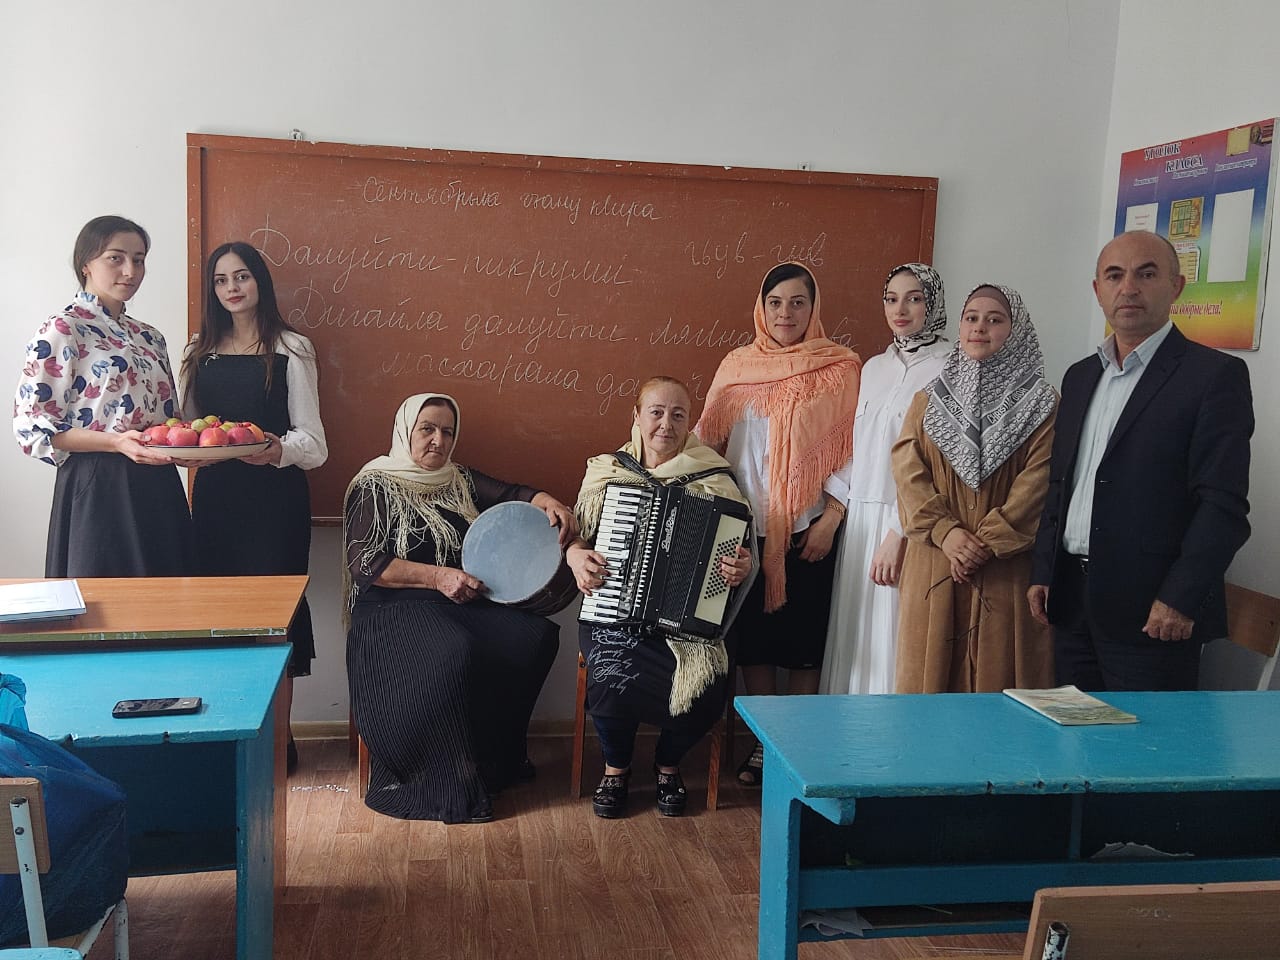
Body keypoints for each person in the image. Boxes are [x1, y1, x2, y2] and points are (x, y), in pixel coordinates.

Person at [1028, 231, 1253, 691]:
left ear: (1176, 287)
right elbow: (1061, 484)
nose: (1128, 288)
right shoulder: (1080, 376)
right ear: (1098, 291)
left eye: (1146, 274)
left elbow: (1222, 506)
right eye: (1114, 276)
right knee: (1075, 732)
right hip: (1072, 603)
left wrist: (1180, 598)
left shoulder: (1213, 377)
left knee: (1147, 738)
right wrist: (1045, 571)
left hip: (1154, 613)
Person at [343, 393, 575, 823]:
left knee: (534, 636)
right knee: (453, 650)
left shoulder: (458, 478)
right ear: (406, 431)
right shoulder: (376, 483)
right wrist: (438, 577)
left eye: (447, 432)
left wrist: (546, 500)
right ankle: (443, 777)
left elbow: (511, 493)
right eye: (427, 429)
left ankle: (490, 761)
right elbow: (367, 564)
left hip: (455, 602)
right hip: (392, 609)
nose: (438, 440)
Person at [696, 262, 860, 785]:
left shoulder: (841, 369)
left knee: (805, 645)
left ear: (814, 308)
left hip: (810, 527)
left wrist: (832, 517)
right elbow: (706, 444)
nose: (785, 313)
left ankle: (798, 746)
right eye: (775, 302)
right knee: (756, 645)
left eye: (797, 302)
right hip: (745, 531)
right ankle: (767, 745)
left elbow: (854, 449)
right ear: (761, 308)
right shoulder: (736, 368)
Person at [567, 376, 754, 818]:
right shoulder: (608, 472)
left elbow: (744, 555)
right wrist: (575, 556)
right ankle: (616, 769)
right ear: (636, 417)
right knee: (609, 673)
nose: (666, 424)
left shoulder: (714, 478)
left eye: (677, 415)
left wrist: (740, 567)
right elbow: (578, 535)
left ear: (690, 423)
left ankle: (668, 765)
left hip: (686, 628)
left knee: (707, 684)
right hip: (614, 613)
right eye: (656, 412)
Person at [179, 241, 328, 773]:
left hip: (274, 503)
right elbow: (187, 431)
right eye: (221, 280)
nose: (232, 288)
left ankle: (278, 743)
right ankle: (228, 736)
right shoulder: (198, 350)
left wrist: (275, 449)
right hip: (215, 502)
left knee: (274, 622)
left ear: (260, 282)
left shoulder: (292, 348)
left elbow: (315, 445)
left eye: (241, 276)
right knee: (217, 620)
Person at [892, 283, 1057, 693]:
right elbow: (907, 472)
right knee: (928, 691)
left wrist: (985, 543)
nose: (979, 328)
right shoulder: (928, 400)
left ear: (1016, 331)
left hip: (1004, 568)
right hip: (936, 562)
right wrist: (946, 533)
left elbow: (1040, 482)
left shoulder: (1043, 404)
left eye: (994, 319)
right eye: (971, 318)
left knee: (1000, 688)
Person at [14, 215, 192, 577]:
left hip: (157, 482)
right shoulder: (63, 328)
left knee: (168, 596)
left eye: (139, 260)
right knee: (105, 598)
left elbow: (167, 419)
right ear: (86, 264)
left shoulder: (150, 336)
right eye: (116, 258)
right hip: (97, 482)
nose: (130, 271)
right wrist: (115, 442)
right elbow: (33, 428)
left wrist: (190, 448)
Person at [820, 263, 951, 695]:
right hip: (861, 523)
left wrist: (899, 532)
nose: (901, 310)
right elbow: (859, 448)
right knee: (856, 639)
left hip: (911, 522)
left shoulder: (952, 366)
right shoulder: (874, 367)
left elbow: (941, 463)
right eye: (892, 299)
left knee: (896, 637)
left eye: (914, 298)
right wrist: (833, 512)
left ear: (933, 303)